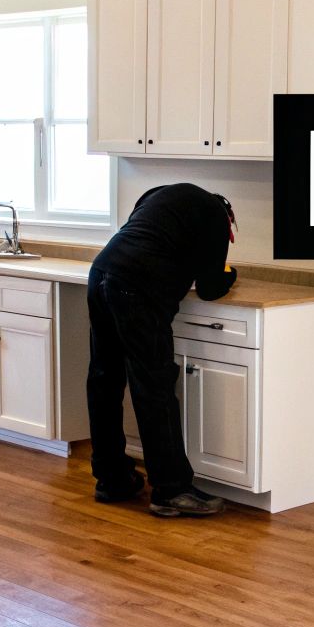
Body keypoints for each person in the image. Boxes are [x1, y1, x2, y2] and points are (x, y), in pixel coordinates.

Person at [86, 183, 239, 517]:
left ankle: (112, 479)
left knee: (105, 378)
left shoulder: (159, 195)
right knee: (154, 387)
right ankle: (171, 490)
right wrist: (231, 274)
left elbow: (145, 239)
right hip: (137, 289)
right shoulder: (215, 218)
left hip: (101, 272)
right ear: (229, 220)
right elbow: (211, 287)